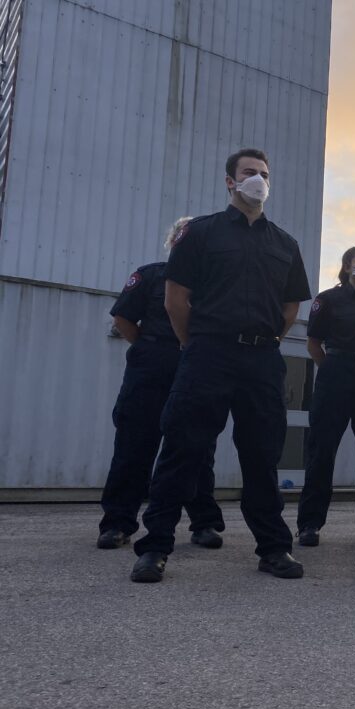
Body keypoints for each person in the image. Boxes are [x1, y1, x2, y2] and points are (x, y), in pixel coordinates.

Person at [129, 148, 311, 583]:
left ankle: (273, 549)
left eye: (264, 174)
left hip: (261, 360)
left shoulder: (285, 244)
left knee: (262, 454)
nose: (258, 180)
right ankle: (154, 547)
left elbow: (289, 307)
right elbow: (176, 300)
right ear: (230, 181)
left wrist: (265, 344)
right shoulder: (201, 234)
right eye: (249, 173)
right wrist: (196, 345)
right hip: (208, 354)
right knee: (181, 449)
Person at [97, 218, 224, 551]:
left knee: (198, 449)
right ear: (175, 241)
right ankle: (117, 523)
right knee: (134, 444)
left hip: (196, 364)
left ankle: (204, 523)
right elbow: (123, 318)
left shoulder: (215, 283)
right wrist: (149, 348)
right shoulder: (151, 274)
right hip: (152, 365)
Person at [295, 246, 355, 547]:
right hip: (337, 372)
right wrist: (333, 370)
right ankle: (309, 524)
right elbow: (313, 344)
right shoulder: (329, 299)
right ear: (347, 267)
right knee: (322, 451)